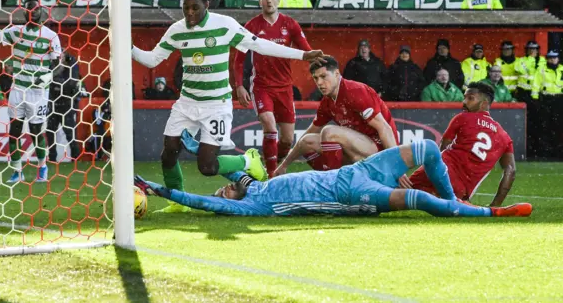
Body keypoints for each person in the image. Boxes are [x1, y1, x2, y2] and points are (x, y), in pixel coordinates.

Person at [131, 0, 324, 213]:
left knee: (207, 166)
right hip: (187, 103)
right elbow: (151, 59)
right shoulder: (177, 30)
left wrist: (302, 55)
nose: (189, 13)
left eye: (195, 8)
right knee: (168, 153)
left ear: (207, 4)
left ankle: (248, 161)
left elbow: (260, 45)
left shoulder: (225, 25)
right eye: (185, 8)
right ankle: (177, 203)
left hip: (216, 106)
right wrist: (127, 46)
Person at [135, 140, 532, 218]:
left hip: (358, 170)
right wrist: (155, 187)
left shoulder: (253, 184)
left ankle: (455, 201)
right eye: (225, 192)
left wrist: (193, 147)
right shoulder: (255, 204)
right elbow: (206, 202)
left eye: (227, 184)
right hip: (350, 192)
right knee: (421, 203)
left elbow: (226, 167)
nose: (223, 189)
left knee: (428, 148)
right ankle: (485, 212)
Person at [234, 0, 313, 177]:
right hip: (261, 86)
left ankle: (274, 162)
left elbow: (306, 51)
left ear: (278, 0)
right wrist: (239, 86)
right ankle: (271, 176)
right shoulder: (252, 26)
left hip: (285, 88)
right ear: (259, 1)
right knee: (269, 126)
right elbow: (238, 59)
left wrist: (321, 64)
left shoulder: (290, 24)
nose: (268, 1)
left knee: (286, 140)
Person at [275, 56, 399, 176]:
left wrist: (397, 166)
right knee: (307, 142)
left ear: (337, 74)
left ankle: (332, 182)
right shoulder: (327, 102)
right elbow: (308, 135)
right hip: (357, 151)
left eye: (323, 76)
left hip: (378, 150)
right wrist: (284, 165)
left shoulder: (355, 91)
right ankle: (335, 177)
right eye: (315, 78)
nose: (319, 83)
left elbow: (384, 128)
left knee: (329, 132)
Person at [0, 0, 62, 183]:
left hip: (38, 93)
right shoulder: (16, 32)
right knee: (14, 132)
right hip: (18, 89)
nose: (32, 13)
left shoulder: (51, 36)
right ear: (24, 14)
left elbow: (59, 63)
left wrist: (50, 75)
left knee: (36, 131)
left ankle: (42, 167)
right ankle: (17, 171)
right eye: (28, 10)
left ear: (41, 11)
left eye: (35, 9)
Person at [411, 82, 516, 206]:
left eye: (470, 98)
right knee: (431, 199)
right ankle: (454, 201)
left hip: (442, 173)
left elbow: (440, 152)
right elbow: (511, 170)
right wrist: (495, 205)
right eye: (464, 97)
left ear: (484, 103)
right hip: (460, 190)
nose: (464, 102)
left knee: (399, 190)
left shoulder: (463, 118)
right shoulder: (504, 137)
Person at [46, 51, 82, 162]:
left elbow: (71, 83)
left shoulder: (72, 65)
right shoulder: (51, 64)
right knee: (50, 132)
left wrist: (57, 82)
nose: (58, 58)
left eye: (60, 56)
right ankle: (52, 158)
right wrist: (59, 82)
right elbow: (48, 79)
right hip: (53, 104)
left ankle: (76, 158)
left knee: (70, 133)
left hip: (67, 104)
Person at [514, 40, 545, 156]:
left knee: (537, 122)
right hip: (524, 93)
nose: (533, 51)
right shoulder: (521, 60)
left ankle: (537, 149)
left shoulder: (542, 61)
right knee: (524, 122)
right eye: (530, 49)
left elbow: (542, 75)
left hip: (537, 94)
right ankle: (527, 149)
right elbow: (520, 69)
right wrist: (532, 60)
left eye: (535, 49)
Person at [531, 51, 563, 158]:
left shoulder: (562, 69)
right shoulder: (541, 70)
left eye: (555, 58)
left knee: (558, 126)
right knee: (545, 126)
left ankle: (558, 152)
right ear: (547, 59)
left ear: (558, 59)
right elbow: (536, 84)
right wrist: (535, 99)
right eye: (550, 58)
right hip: (546, 100)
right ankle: (545, 152)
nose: (553, 60)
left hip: (559, 100)